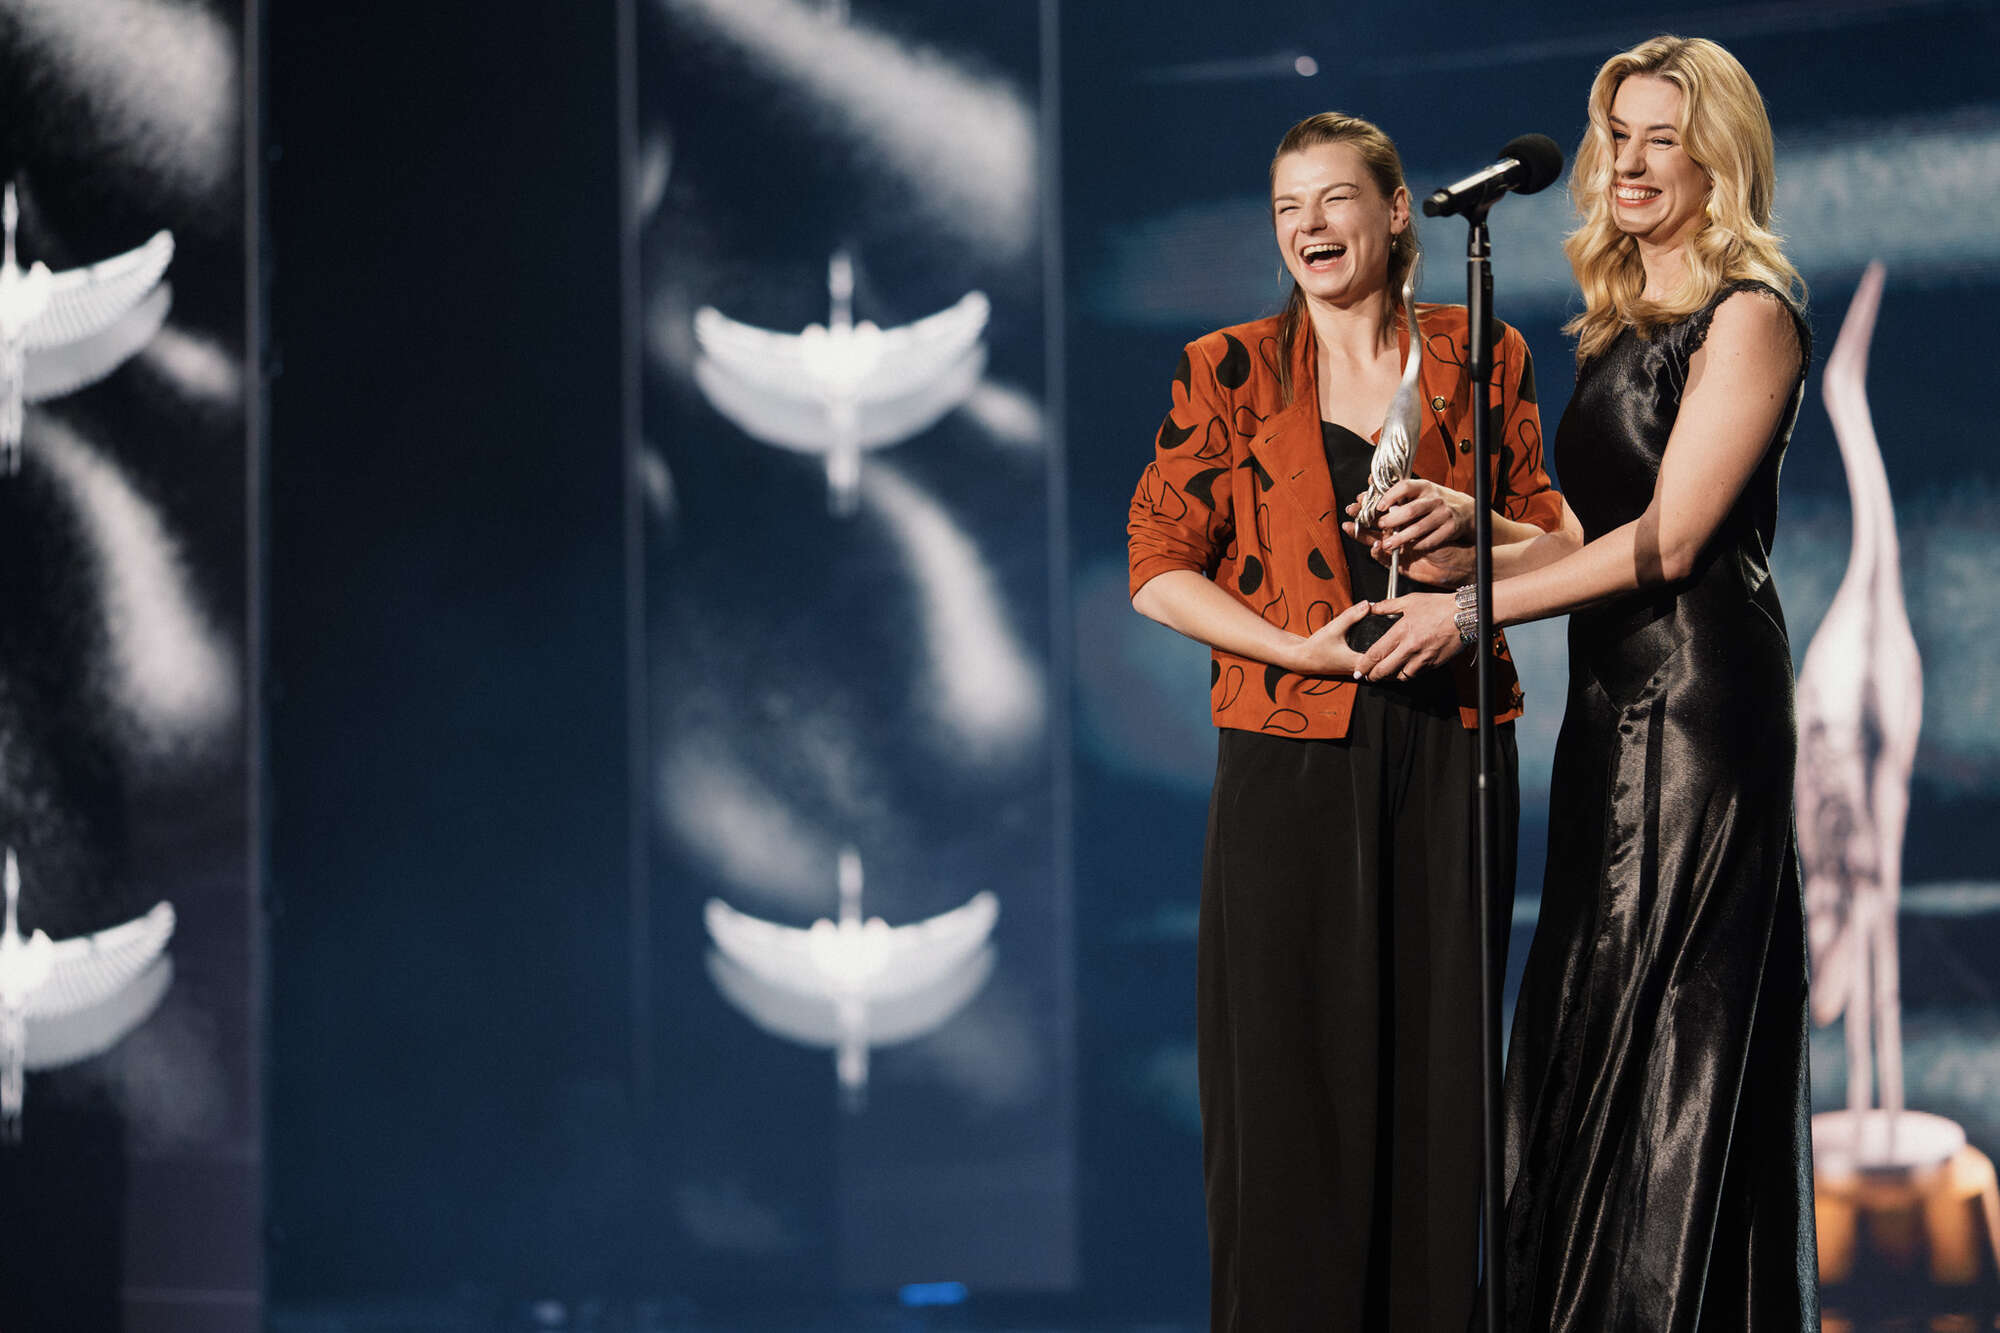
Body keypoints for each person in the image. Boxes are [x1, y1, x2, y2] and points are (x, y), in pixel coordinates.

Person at [1351, 36, 1820, 1330]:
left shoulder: (1750, 315)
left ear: (1717, 161)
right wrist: (1477, 532)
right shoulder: (1622, 328)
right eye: (1619, 135)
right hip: (1614, 705)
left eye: (1663, 138)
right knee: (1586, 1003)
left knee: (1669, 1020)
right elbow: (1598, 542)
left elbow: (1669, 546)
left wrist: (1468, 607)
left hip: (1702, 709)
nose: (1630, 162)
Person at [1126, 111, 1577, 1332]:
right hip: (1286, 751)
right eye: (1286, 208)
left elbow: (1560, 545)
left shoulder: (1479, 350)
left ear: (1392, 211)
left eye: (1332, 199)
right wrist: (1294, 649)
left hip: (1452, 743)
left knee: (1436, 1080)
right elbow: (1155, 568)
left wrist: (1471, 535)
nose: (1307, 226)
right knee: (1288, 1086)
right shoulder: (1228, 368)